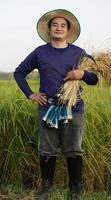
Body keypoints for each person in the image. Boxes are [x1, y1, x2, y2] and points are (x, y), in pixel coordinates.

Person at [14, 9, 98, 200]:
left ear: (68, 31)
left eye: (63, 25)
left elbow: (95, 79)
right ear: (49, 29)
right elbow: (19, 72)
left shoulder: (79, 53)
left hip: (73, 108)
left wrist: (82, 74)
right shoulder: (40, 52)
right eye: (55, 25)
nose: (58, 28)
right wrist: (30, 94)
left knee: (74, 149)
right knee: (47, 149)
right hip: (48, 108)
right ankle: (46, 188)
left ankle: (76, 189)